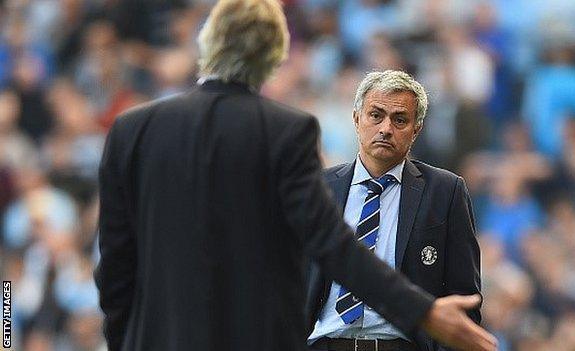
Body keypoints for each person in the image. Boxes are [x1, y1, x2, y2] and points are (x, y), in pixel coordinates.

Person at [94, 1, 498, 351]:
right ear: (274, 56)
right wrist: (423, 311)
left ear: (207, 45)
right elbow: (333, 244)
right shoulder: (286, 130)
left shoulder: (131, 130)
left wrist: (122, 341)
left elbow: (114, 266)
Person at [306, 70, 482, 351]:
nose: (386, 128)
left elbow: (464, 297)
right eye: (376, 115)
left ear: (417, 129)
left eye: (399, 119)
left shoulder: (445, 191)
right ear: (356, 118)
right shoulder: (318, 188)